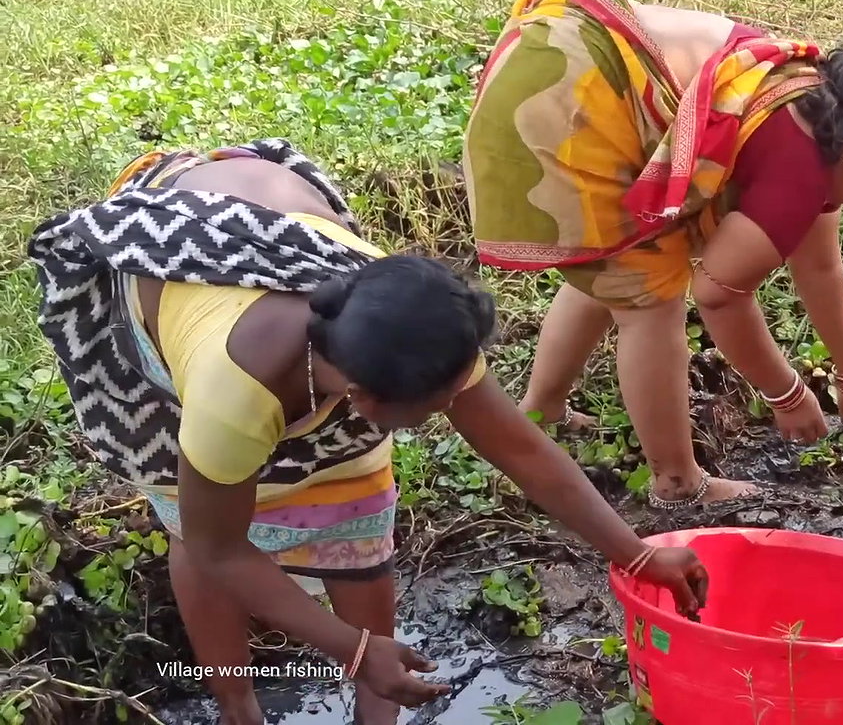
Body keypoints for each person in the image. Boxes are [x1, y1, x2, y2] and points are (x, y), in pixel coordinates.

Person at [27, 139, 710, 725]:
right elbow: (217, 547)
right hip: (168, 259)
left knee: (353, 497)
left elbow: (520, 447)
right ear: (365, 399)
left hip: (261, 207)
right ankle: (237, 705)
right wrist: (352, 650)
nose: (458, 409)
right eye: (441, 405)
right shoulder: (230, 392)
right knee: (192, 516)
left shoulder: (404, 321)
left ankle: (376, 709)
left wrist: (636, 555)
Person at [463, 0, 843, 507]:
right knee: (650, 297)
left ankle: (544, 410)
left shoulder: (815, 107)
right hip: (574, 94)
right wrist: (786, 394)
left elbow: (820, 267)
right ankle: (678, 484)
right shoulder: (802, 170)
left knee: (616, 263)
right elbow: (718, 295)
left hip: (554, 51)